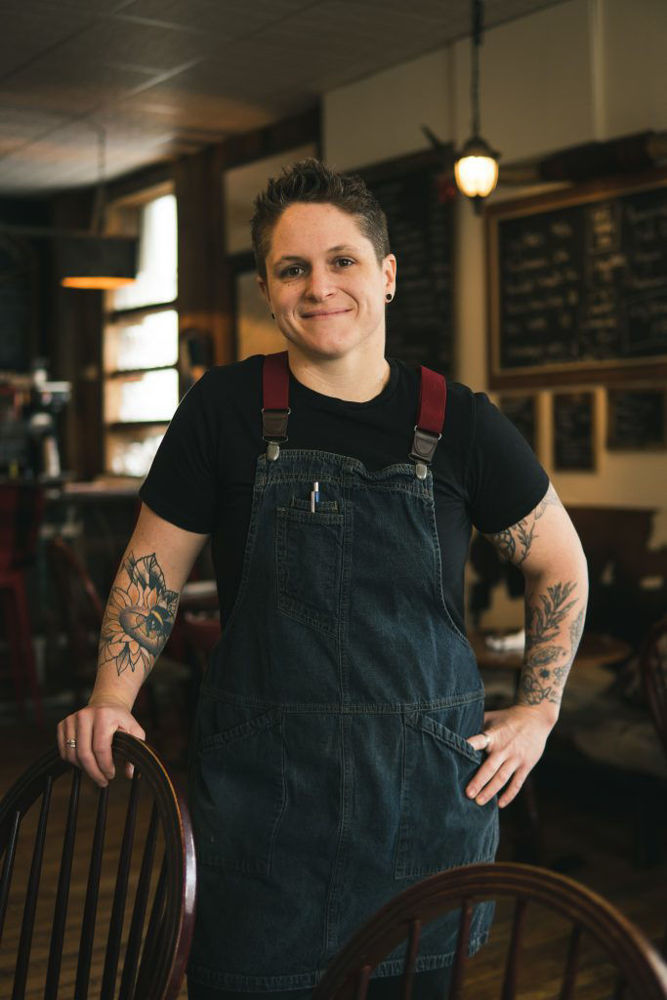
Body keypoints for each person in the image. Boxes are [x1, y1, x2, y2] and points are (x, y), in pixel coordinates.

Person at [57, 159, 588, 998]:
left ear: (385, 274)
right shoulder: (225, 408)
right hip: (264, 816)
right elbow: (152, 568)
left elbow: (558, 558)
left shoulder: (460, 424)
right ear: (268, 291)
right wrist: (112, 698)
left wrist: (540, 707)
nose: (318, 286)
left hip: (423, 815)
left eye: (341, 261)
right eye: (292, 268)